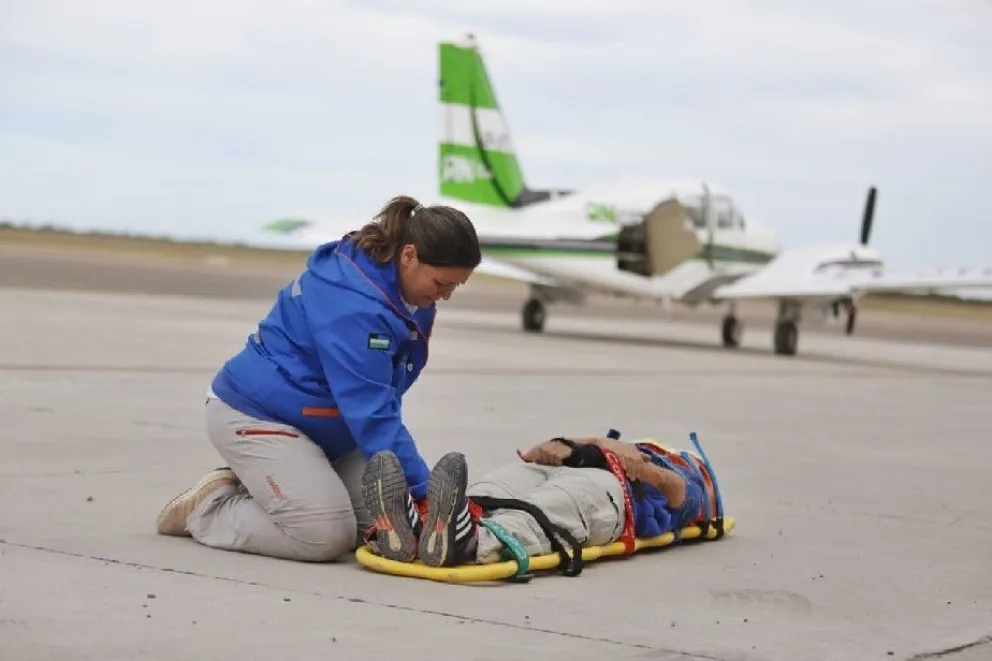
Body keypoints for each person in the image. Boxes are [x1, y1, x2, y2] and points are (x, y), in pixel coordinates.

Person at [155, 194, 482, 563]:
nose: (446, 295)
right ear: (408, 256)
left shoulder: (409, 296)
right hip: (258, 417)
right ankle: (211, 506)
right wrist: (425, 491)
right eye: (442, 283)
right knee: (323, 534)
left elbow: (380, 398)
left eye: (456, 286)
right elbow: (372, 411)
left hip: (327, 429)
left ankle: (280, 489)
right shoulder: (355, 306)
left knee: (382, 525)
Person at [360, 432, 723, 570]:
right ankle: (422, 525)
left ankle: (474, 541)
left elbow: (682, 500)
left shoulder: (688, 476)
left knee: (556, 504)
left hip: (615, 493)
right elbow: (558, 448)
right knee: (498, 484)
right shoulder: (622, 444)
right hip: (571, 466)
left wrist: (648, 471)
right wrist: (557, 445)